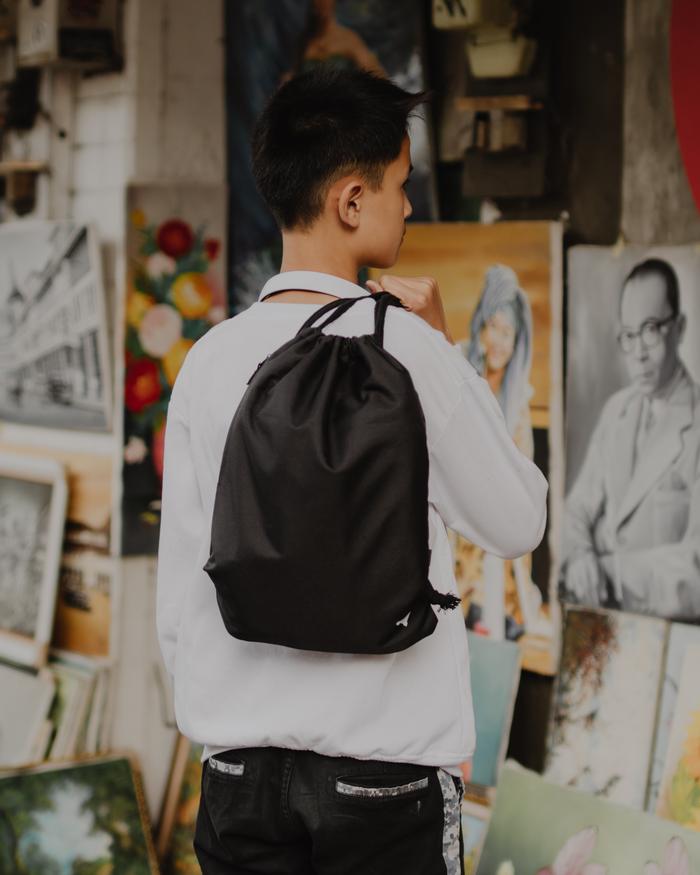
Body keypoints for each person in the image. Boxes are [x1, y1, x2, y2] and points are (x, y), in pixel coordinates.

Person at [156, 66, 547, 875]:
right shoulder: (406, 348)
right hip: (384, 785)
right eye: (401, 185)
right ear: (351, 200)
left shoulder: (210, 361)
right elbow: (518, 519)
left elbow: (180, 598)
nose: (409, 206)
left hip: (239, 783)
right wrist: (447, 350)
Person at [560, 257, 700, 619]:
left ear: (680, 328)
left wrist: (609, 574)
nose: (638, 353)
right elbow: (575, 510)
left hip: (676, 637)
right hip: (605, 627)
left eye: (651, 329)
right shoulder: (617, 411)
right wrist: (580, 556)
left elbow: (696, 564)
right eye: (628, 335)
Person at [452, 265, 550, 643]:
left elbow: (522, 473)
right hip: (456, 519)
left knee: (500, 623)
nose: (498, 341)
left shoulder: (518, 397)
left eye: (507, 333)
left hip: (496, 524)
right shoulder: (458, 367)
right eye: (493, 326)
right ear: (481, 324)